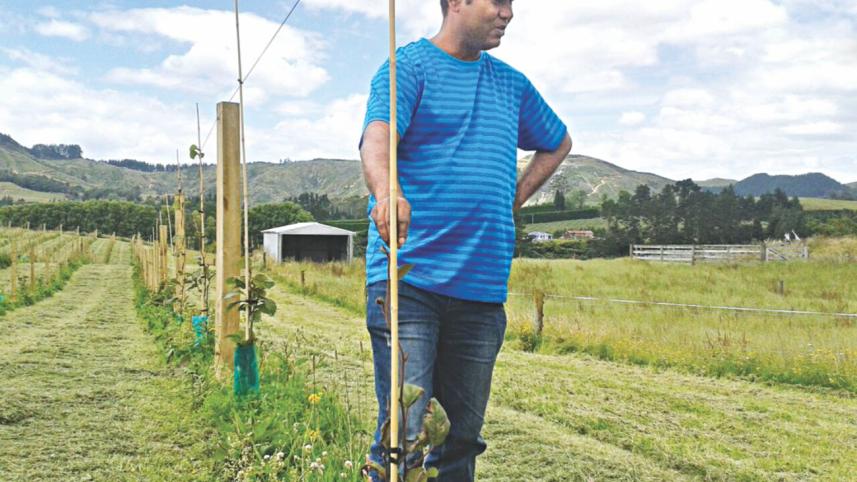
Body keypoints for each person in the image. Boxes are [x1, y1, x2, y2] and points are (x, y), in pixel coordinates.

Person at [359, 0, 572, 479]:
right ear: (455, 2)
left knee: (461, 441)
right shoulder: (408, 68)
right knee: (404, 435)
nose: (508, 13)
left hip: (480, 290)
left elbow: (557, 141)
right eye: (497, 1)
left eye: (512, 3)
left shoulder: (511, 85)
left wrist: (511, 198)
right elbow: (377, 137)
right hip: (407, 280)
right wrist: (387, 190)